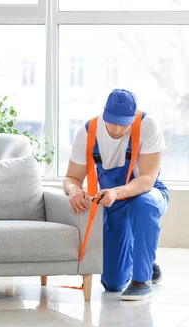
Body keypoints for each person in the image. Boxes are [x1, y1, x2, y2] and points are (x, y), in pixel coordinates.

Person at [63, 89, 168, 301]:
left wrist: (116, 191)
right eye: (113, 121)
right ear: (104, 113)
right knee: (113, 284)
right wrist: (74, 191)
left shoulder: (148, 126)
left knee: (144, 203)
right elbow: (71, 178)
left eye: (124, 123)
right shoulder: (88, 131)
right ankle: (142, 262)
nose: (118, 128)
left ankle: (141, 280)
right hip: (113, 201)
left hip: (147, 193)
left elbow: (147, 179)